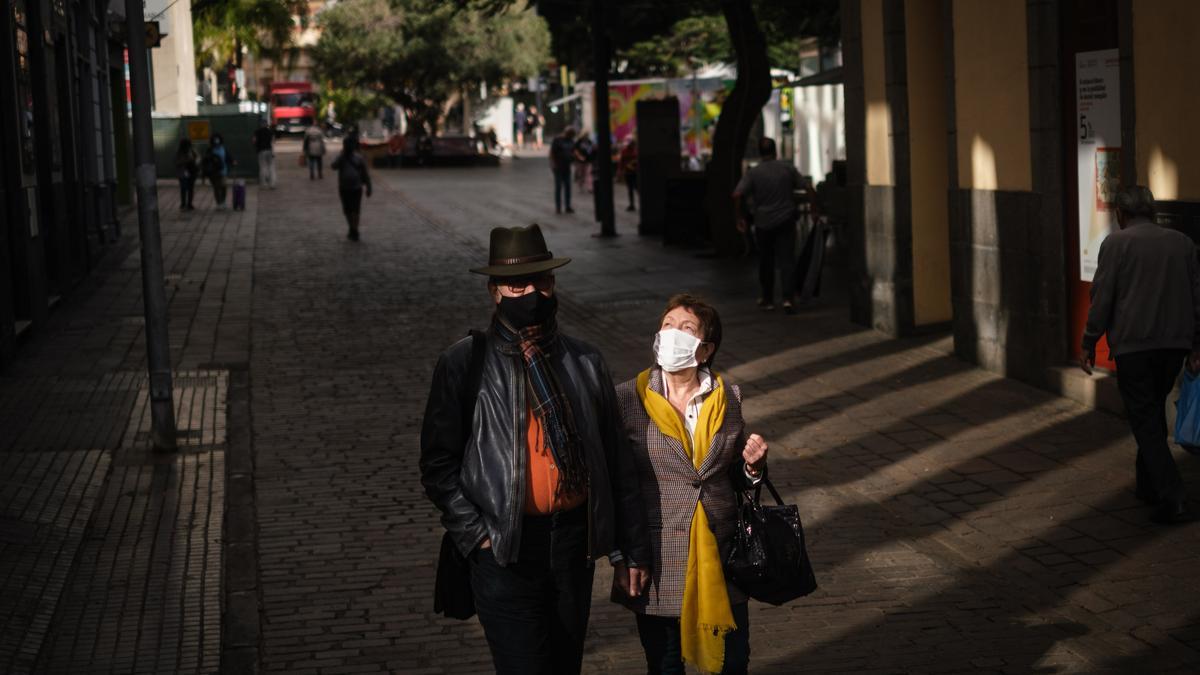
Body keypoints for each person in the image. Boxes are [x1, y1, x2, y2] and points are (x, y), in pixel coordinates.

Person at [420, 224, 651, 674]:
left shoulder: (584, 361)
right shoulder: (465, 363)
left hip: (572, 547)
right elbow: (438, 464)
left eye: (542, 280)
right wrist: (477, 535)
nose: (533, 292)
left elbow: (616, 461)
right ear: (495, 292)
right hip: (505, 550)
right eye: (517, 284)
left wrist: (630, 549)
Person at [614, 293, 770, 674]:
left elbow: (733, 476)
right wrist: (623, 555)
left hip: (721, 552)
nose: (673, 334)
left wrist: (752, 468)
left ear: (705, 349)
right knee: (665, 664)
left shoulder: (728, 397)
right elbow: (617, 485)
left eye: (686, 329)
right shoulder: (627, 399)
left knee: (733, 661)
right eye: (668, 325)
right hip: (657, 556)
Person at [1081, 185, 1200, 524]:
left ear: (1121, 214)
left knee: (1144, 419)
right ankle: (1147, 485)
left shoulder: (1116, 244)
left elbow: (1101, 297)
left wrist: (1090, 340)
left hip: (1134, 346)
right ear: (1152, 212)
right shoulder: (1182, 243)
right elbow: (1197, 297)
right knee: (1150, 413)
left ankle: (1172, 494)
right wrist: (1196, 344)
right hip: (1173, 345)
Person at [732, 137, 803, 314]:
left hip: (763, 223)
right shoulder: (787, 169)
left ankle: (768, 298)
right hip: (786, 220)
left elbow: (737, 194)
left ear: (760, 153)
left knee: (766, 261)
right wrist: (815, 209)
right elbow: (807, 186)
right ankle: (788, 298)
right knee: (787, 259)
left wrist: (740, 217)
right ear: (775, 151)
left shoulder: (754, 173)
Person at [331, 133, 372, 241]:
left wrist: (368, 187)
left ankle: (354, 229)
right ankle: (353, 228)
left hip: (351, 187)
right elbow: (333, 166)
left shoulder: (357, 157)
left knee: (352, 210)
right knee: (351, 210)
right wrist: (368, 187)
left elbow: (365, 173)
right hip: (349, 187)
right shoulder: (346, 157)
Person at [202, 133, 234, 209]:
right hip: (214, 172)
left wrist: (233, 161)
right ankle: (219, 203)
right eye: (215, 140)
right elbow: (206, 160)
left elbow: (228, 157)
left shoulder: (223, 148)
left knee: (223, 186)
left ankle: (223, 201)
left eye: (218, 139)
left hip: (223, 171)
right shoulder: (210, 149)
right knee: (216, 187)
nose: (216, 141)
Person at [550, 127, 577, 214]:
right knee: (558, 187)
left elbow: (573, 152)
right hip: (558, 167)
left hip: (567, 167)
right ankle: (558, 207)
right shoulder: (558, 140)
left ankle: (567, 206)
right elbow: (552, 153)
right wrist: (553, 164)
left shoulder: (571, 141)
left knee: (568, 187)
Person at [174, 138, 199, 211]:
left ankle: (189, 203)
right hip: (183, 172)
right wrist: (187, 160)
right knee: (184, 188)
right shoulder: (179, 153)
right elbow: (177, 162)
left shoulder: (192, 151)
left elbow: (197, 158)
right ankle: (184, 203)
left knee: (189, 188)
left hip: (191, 172)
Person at [252, 122, 276, 189]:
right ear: (267, 125)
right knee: (271, 167)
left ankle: (264, 184)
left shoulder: (257, 132)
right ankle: (272, 184)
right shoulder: (270, 132)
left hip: (261, 151)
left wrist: (257, 146)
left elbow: (254, 141)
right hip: (269, 150)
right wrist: (273, 152)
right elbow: (273, 142)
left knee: (263, 167)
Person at [619, 137, 639, 212]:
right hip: (628, 172)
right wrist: (620, 170)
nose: (633, 145)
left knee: (637, 189)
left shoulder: (636, 150)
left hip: (635, 172)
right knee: (630, 189)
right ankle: (632, 205)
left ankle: (634, 204)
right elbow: (621, 161)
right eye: (632, 144)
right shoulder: (625, 151)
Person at [572, 130, 595, 194]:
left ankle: (590, 188)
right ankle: (580, 186)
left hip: (588, 160)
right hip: (580, 161)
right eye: (586, 135)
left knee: (589, 174)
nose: (586, 136)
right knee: (581, 174)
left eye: (587, 135)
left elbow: (591, 149)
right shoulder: (579, 141)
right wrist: (579, 156)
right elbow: (575, 150)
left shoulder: (589, 141)